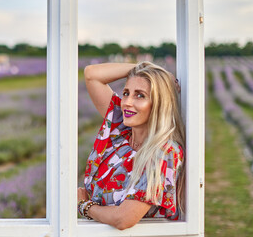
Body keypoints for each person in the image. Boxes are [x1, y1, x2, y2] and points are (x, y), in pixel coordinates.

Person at [78, 61, 185, 230]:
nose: (127, 102)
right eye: (126, 93)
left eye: (140, 95)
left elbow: (124, 219)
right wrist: (145, 67)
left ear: (159, 103)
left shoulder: (164, 151)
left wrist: (85, 206)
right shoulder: (120, 131)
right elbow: (92, 75)